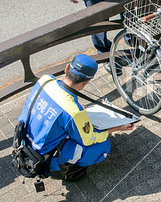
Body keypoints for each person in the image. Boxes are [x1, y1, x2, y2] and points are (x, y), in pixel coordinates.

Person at [17, 54, 134, 182]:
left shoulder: (45, 80)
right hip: (44, 155)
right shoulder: (73, 111)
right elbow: (88, 139)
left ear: (67, 68)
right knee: (103, 147)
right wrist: (115, 128)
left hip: (24, 140)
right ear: (86, 82)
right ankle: (62, 167)